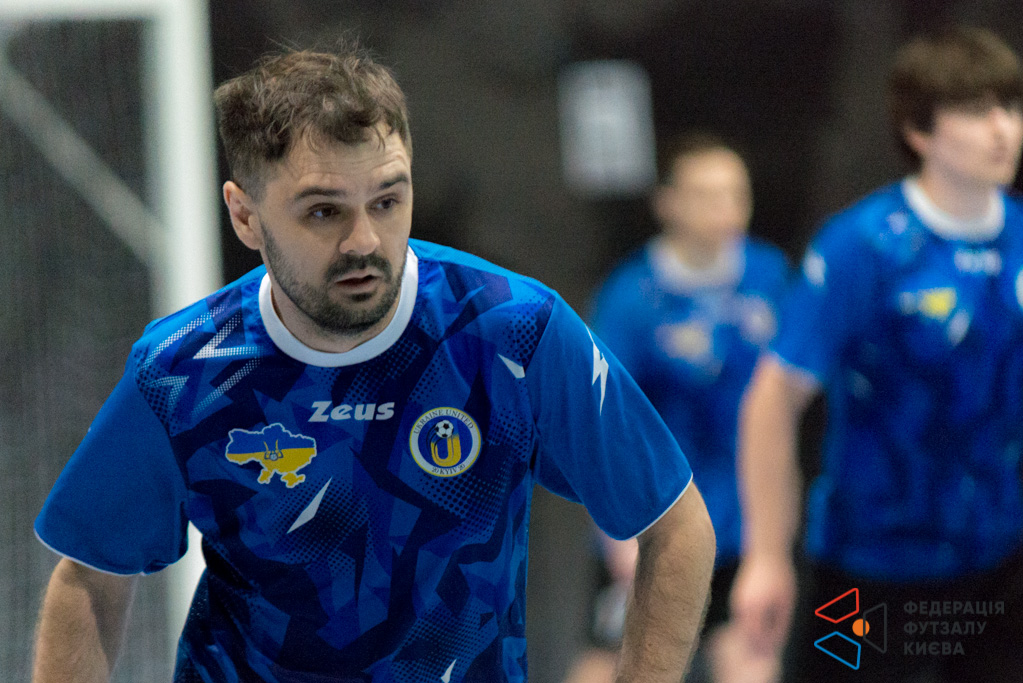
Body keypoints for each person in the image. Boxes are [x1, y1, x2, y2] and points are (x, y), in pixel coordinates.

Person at [30, 47, 715, 683]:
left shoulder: (512, 331)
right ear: (244, 216)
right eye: (323, 211)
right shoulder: (181, 369)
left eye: (387, 201)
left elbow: (675, 525)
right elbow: (87, 580)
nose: (364, 241)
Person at [731, 25, 1023, 682]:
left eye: (1010, 107)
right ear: (919, 131)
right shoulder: (862, 247)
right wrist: (766, 555)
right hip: (867, 571)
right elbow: (773, 399)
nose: (1002, 130)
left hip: (998, 564)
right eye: (976, 112)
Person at [562, 134, 788, 683]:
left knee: (751, 663)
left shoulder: (770, 276)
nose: (726, 210)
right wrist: (619, 537)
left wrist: (772, 539)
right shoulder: (630, 298)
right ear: (668, 204)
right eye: (707, 195)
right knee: (613, 664)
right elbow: (597, 422)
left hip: (738, 525)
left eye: (736, 194)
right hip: (653, 520)